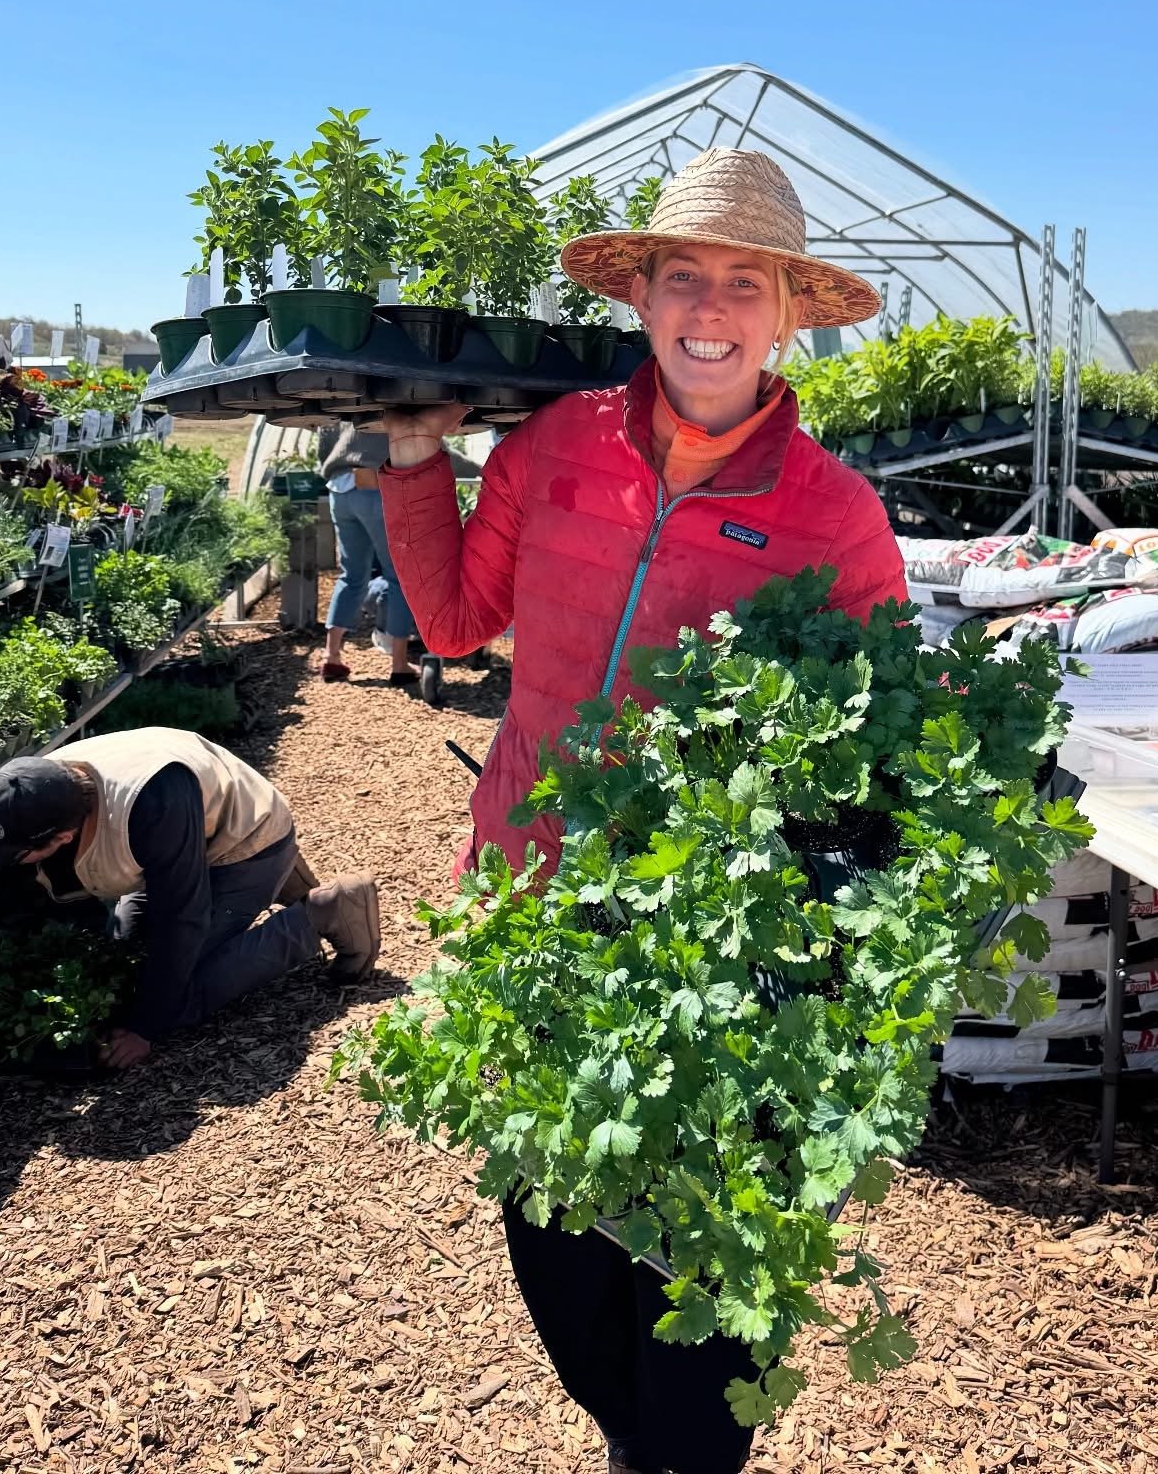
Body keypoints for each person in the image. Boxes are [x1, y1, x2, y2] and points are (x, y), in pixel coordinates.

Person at [373, 149, 907, 1474]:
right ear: (643, 297)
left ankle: (675, 1454)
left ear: (787, 316)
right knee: (555, 1229)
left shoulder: (834, 516)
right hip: (530, 902)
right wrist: (413, 461)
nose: (709, 308)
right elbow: (456, 623)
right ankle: (629, 1437)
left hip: (709, 943)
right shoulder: (556, 449)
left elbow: (880, 751)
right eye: (684, 276)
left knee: (703, 1278)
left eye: (744, 282)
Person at [0, 727, 380, 1068]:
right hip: (190, 838)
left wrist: (146, 1029)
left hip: (246, 842)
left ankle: (326, 910)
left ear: (61, 837)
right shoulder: (28, 792)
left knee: (178, 998)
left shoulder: (151, 801)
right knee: (133, 965)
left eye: (17, 853)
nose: (8, 861)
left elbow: (182, 918)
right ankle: (280, 881)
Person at [318, 423, 419, 684]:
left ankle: (331, 656)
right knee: (399, 576)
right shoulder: (397, 402)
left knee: (351, 575)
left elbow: (324, 445)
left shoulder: (337, 404)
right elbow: (425, 442)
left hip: (340, 489)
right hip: (376, 488)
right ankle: (399, 664)